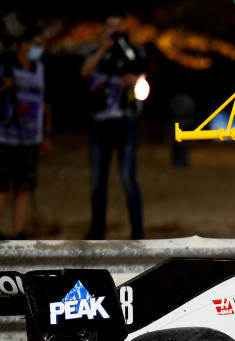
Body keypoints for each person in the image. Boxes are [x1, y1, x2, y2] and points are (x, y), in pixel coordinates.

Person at [0, 28, 51, 240]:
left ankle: (18, 231)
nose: (39, 49)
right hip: (3, 136)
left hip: (30, 138)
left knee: (24, 185)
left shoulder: (40, 69)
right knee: (1, 185)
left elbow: (46, 103)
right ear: (22, 45)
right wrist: (3, 89)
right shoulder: (2, 66)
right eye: (36, 44)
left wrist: (47, 133)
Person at [81, 14, 147, 240]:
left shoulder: (132, 51)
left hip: (126, 120)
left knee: (128, 177)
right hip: (100, 122)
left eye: (118, 26)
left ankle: (138, 231)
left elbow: (141, 74)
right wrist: (102, 49)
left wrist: (134, 79)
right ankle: (97, 230)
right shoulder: (96, 52)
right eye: (110, 25)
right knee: (98, 179)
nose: (114, 30)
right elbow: (85, 72)